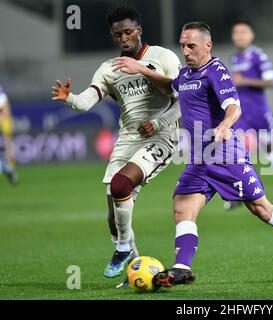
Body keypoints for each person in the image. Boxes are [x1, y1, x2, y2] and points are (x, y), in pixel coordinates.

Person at [112, 22, 273, 287]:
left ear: (207, 46)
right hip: (199, 161)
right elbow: (169, 87)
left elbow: (234, 106)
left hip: (225, 156)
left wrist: (224, 124)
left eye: (191, 46)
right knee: (182, 210)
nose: (185, 51)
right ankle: (181, 268)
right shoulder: (186, 75)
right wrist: (140, 68)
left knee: (263, 210)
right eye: (183, 45)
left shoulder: (216, 71)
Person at [51, 5, 182, 284]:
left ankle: (122, 249)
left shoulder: (163, 56)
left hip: (162, 135)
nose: (124, 39)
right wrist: (69, 97)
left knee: (122, 185)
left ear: (139, 30)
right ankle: (134, 268)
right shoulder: (108, 69)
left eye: (128, 32)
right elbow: (87, 101)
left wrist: (159, 122)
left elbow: (182, 95)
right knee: (114, 211)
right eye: (117, 35)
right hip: (128, 139)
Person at [224, 20, 273, 211]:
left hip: (259, 113)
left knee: (271, 152)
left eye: (243, 32)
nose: (239, 36)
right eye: (235, 32)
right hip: (240, 114)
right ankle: (237, 194)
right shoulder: (234, 58)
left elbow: (272, 82)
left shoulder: (258, 55)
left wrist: (244, 80)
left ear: (251, 35)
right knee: (233, 151)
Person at [0, 85, 18, 185]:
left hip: (4, 118)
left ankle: (10, 168)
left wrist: (4, 117)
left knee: (8, 142)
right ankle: (8, 169)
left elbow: (5, 109)